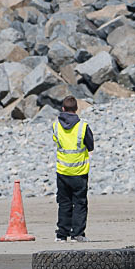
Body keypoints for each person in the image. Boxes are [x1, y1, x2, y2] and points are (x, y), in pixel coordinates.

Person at [52, 96, 94, 242]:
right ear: (76, 109)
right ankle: (77, 234)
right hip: (79, 172)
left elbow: (56, 141)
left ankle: (61, 235)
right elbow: (90, 146)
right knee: (80, 203)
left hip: (62, 171)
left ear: (63, 109)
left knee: (64, 203)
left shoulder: (56, 125)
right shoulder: (83, 126)